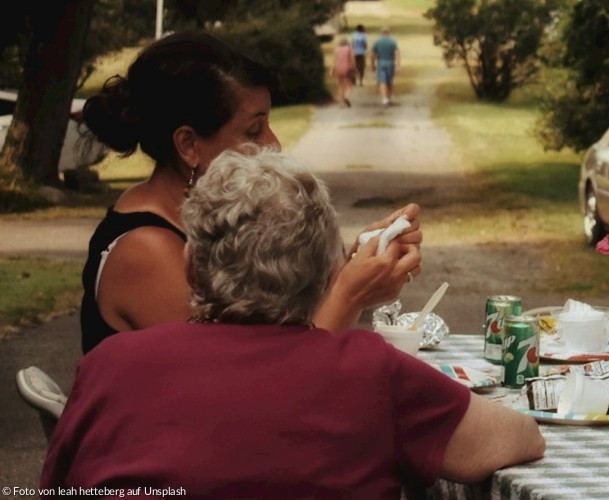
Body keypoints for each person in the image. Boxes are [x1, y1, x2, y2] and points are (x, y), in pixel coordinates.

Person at [42, 147, 546, 496]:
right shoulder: (370, 371)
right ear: (328, 272)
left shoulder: (110, 366)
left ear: (192, 264)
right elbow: (519, 439)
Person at [78, 30, 421, 354]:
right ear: (189, 145)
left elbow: (269, 348)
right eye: (254, 131)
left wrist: (354, 269)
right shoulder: (146, 249)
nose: (274, 143)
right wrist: (349, 296)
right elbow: (248, 391)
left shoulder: (209, 225)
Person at [370, 26, 400, 106]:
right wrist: (398, 65)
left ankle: (384, 98)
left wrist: (372, 64)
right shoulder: (393, 42)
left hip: (381, 62)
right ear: (389, 33)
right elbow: (397, 53)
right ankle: (389, 97)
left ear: (381, 33)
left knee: (382, 81)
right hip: (390, 62)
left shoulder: (377, 42)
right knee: (389, 81)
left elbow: (373, 54)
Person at [333, 37, 356, 107]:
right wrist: (353, 69)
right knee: (349, 85)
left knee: (340, 85)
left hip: (338, 68)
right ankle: (346, 96)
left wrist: (331, 70)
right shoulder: (349, 49)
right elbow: (352, 60)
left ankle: (342, 103)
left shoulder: (336, 49)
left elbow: (334, 60)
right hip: (347, 68)